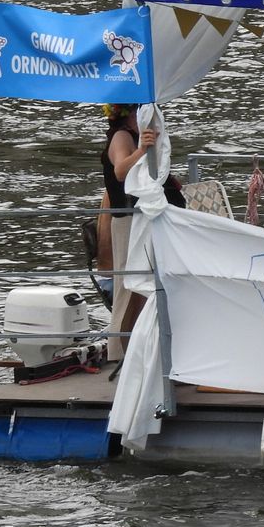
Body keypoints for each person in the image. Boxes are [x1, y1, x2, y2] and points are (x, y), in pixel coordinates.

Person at [101, 103, 184, 360]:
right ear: (131, 115)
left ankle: (142, 343)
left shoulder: (135, 136)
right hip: (128, 220)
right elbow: (120, 171)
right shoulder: (121, 137)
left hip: (142, 218)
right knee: (128, 284)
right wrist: (141, 150)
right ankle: (118, 351)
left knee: (145, 281)